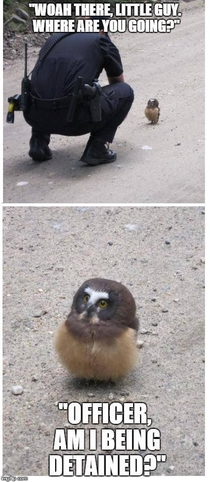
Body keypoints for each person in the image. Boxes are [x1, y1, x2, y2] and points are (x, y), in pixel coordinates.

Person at [24, 22, 134, 166]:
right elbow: (117, 82)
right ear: (102, 30)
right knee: (125, 91)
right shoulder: (101, 41)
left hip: (35, 116)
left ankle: (38, 144)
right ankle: (97, 148)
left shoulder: (53, 39)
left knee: (48, 87)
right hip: (74, 120)